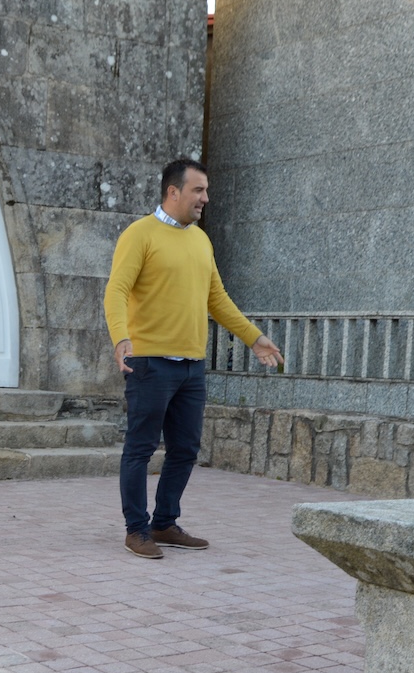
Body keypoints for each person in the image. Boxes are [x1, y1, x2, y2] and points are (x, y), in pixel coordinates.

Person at [104, 158, 284, 559]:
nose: (205, 198)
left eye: (205, 190)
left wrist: (254, 338)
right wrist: (121, 338)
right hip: (149, 362)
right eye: (198, 190)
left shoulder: (201, 240)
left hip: (191, 366)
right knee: (140, 447)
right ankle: (137, 529)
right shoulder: (140, 235)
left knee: (185, 448)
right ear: (173, 192)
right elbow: (116, 290)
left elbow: (215, 298)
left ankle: (164, 522)